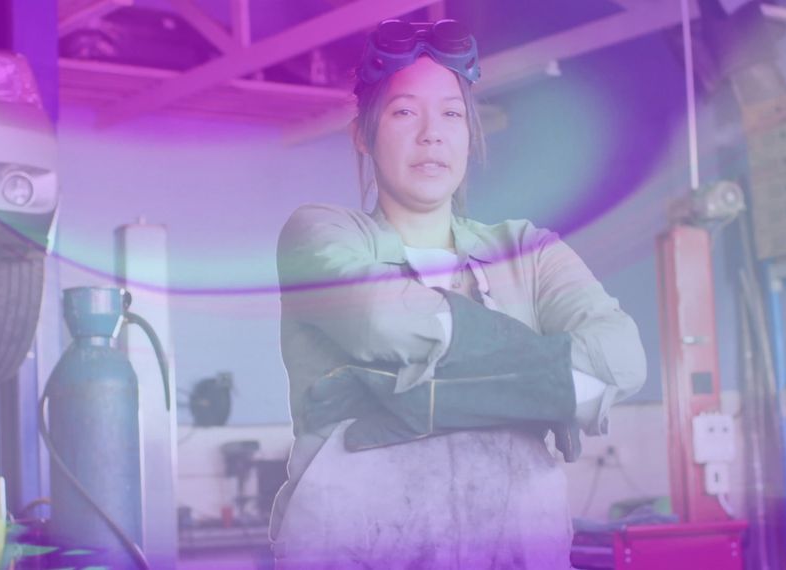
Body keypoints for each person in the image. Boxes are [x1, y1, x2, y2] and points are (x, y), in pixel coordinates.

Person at [272, 19, 647, 569]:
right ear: (363, 133)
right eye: (404, 112)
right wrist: (546, 385)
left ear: (470, 133)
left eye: (451, 113)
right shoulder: (320, 236)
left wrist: (415, 394)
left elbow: (623, 360)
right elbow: (381, 321)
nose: (432, 134)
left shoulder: (528, 251)